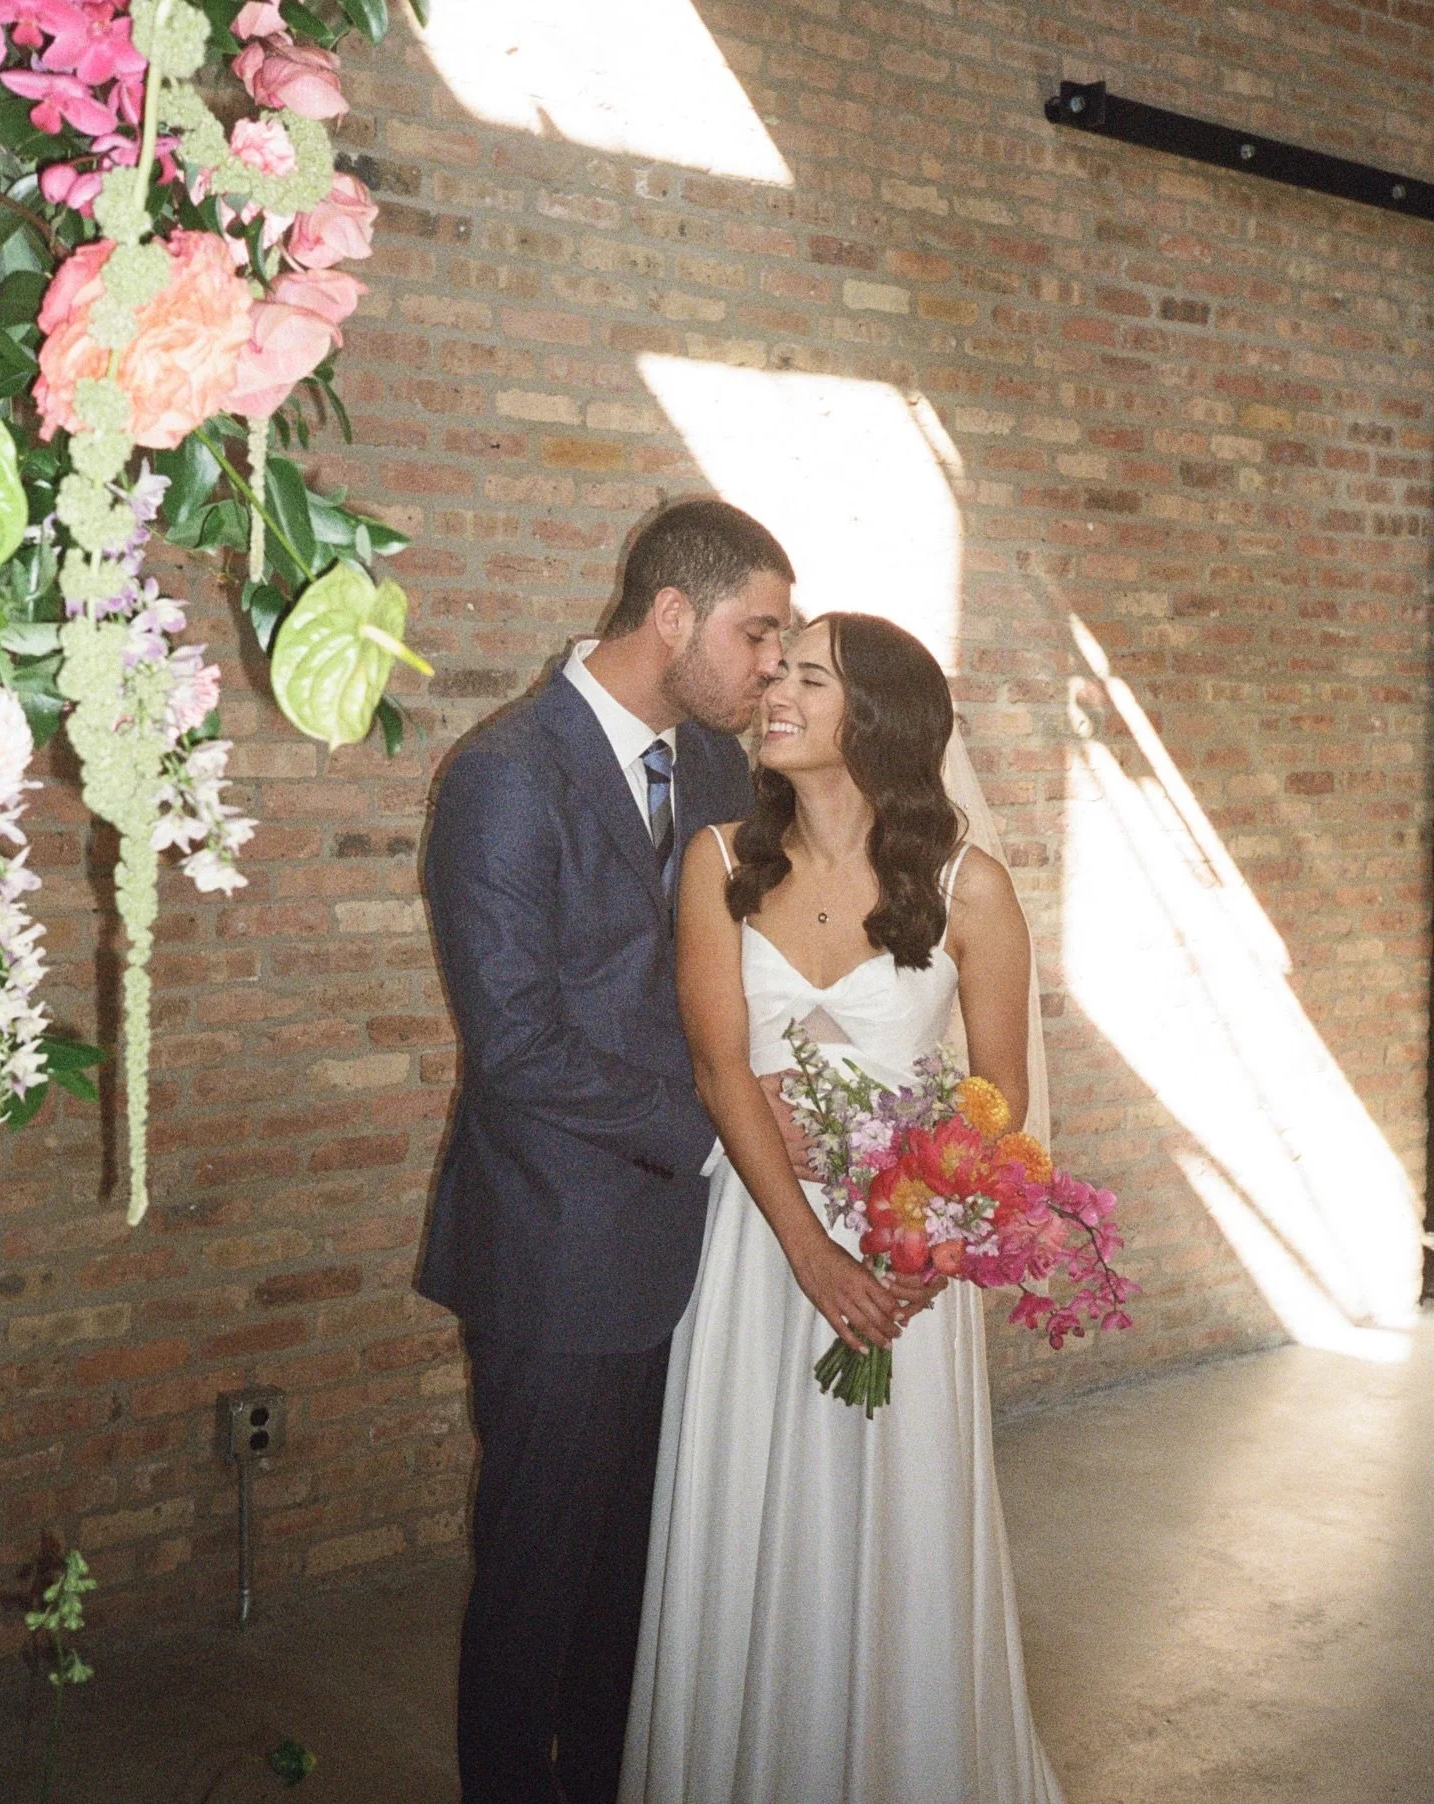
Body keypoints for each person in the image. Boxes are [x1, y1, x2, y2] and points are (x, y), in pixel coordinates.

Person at [619, 612, 1067, 1804]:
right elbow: (723, 1069)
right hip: (761, 1254)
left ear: (875, 719)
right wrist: (813, 1250)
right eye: (779, 666)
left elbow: (1000, 1092)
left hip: (902, 1253)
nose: (773, 686)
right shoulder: (718, 861)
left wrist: (922, 1219)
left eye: (807, 675)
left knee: (897, 1535)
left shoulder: (972, 888)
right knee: (750, 1520)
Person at [419, 498, 800, 1804]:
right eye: (757, 634)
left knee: (631, 1580)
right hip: (552, 1248)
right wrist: (717, 1133)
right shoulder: (505, 774)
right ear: (673, 614)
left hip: (681, 1259)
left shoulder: (717, 773)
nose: (770, 666)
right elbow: (517, 1047)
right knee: (536, 1579)